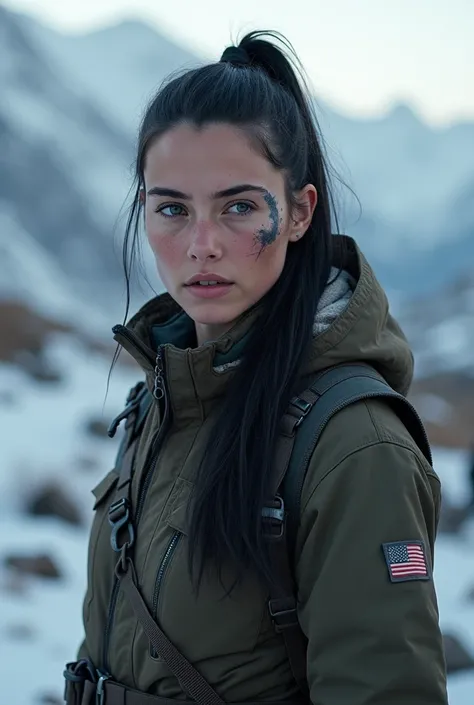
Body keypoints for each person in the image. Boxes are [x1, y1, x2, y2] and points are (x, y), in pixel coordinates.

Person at [67, 31, 448, 705]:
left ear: (299, 212)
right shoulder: (162, 396)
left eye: (239, 206)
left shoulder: (354, 444)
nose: (202, 244)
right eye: (172, 209)